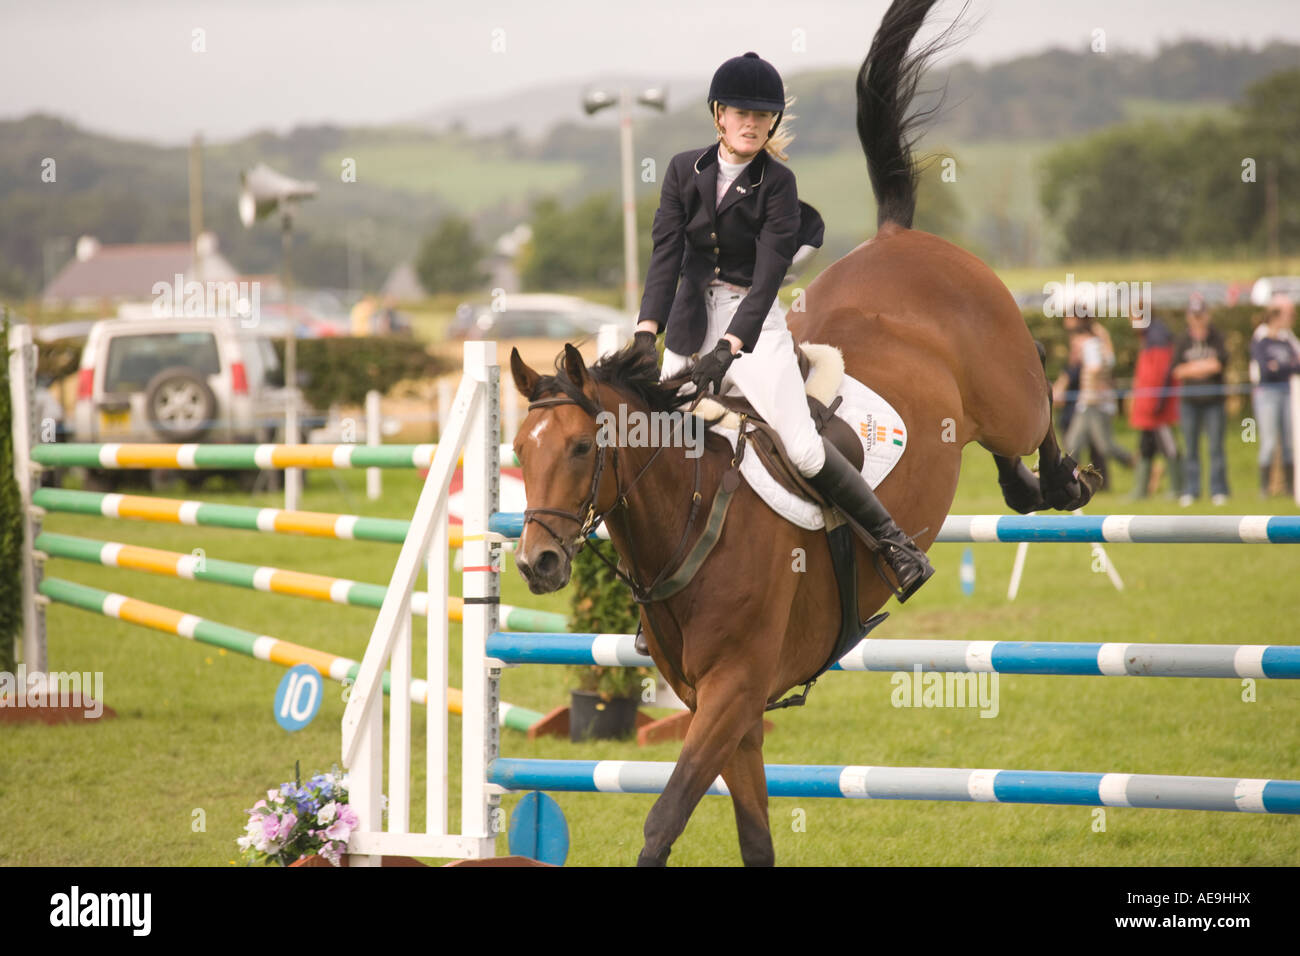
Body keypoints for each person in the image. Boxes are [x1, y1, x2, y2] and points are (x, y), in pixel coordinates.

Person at [634, 51, 933, 603]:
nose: (751, 123)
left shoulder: (779, 184)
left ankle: (895, 545)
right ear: (718, 115)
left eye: (762, 115)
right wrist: (645, 336)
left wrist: (727, 352)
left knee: (803, 450)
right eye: (740, 112)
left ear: (772, 122)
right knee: (658, 444)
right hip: (689, 318)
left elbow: (769, 278)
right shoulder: (682, 170)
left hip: (754, 325)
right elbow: (665, 258)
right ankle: (656, 592)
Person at [1172, 292, 1231, 506]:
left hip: (1214, 402)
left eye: (1201, 314)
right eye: (1194, 314)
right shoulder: (1182, 340)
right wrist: (1203, 367)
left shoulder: (1217, 337)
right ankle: (1191, 490)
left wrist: (1193, 368)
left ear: (1207, 315)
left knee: (1216, 447)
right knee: (1190, 448)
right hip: (1189, 403)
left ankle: (1219, 490)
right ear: (1189, 316)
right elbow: (1177, 371)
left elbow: (1219, 365)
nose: (1197, 318)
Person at [1061, 311, 1133, 484]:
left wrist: (1090, 390)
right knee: (1072, 444)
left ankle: (1142, 467)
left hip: (1093, 403)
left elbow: (1094, 368)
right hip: (1089, 403)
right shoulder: (1097, 339)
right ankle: (1075, 483)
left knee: (1104, 447)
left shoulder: (1091, 343)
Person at [1249, 293, 1300, 497]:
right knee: (1269, 442)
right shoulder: (1261, 336)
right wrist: (1287, 366)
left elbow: (1297, 364)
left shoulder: (1288, 338)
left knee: (1289, 441)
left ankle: (1289, 488)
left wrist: (1281, 366)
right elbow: (1266, 369)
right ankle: (1264, 490)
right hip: (1267, 393)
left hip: (1289, 392)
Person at [1127, 316, 1181, 499]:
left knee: (1168, 446)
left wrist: (1154, 404)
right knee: (1145, 447)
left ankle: (1176, 488)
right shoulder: (1149, 336)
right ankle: (1140, 490)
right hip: (1148, 404)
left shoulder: (1157, 338)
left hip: (1156, 407)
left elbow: (1159, 375)